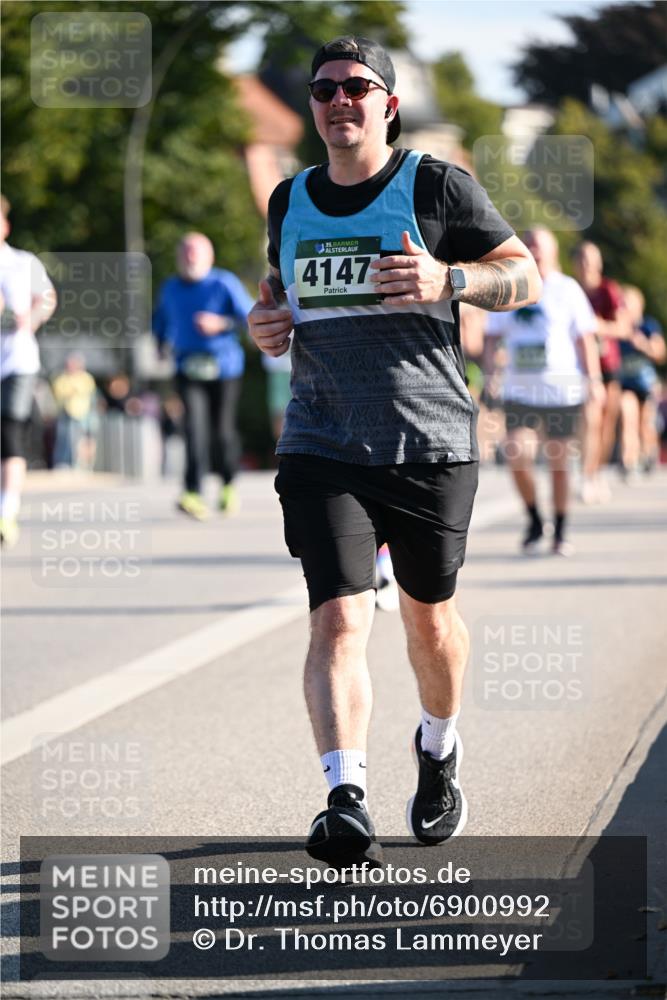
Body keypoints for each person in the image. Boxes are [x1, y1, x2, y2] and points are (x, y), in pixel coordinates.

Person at [248, 36, 541, 868]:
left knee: (427, 619)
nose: (338, 101)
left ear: (388, 104)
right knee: (339, 615)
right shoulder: (289, 200)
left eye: (355, 87)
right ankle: (344, 798)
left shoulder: (434, 185)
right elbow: (277, 300)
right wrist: (265, 325)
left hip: (428, 442)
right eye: (323, 90)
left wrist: (451, 281)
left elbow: (523, 275)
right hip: (321, 440)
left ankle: (438, 745)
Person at [484, 227, 602, 556]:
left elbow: (585, 338)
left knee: (559, 463)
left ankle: (560, 529)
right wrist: (491, 373)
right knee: (516, 453)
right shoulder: (510, 285)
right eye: (528, 244)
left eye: (539, 245)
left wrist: (594, 380)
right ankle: (535, 519)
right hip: (519, 390)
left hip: (561, 391)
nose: (533, 250)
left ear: (553, 251)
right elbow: (492, 336)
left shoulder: (567, 289)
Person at [152, 233, 254, 520]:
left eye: (195, 253)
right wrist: (160, 345)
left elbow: (249, 317)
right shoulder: (170, 288)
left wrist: (221, 323)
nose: (190, 258)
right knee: (193, 429)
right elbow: (159, 322)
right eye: (185, 253)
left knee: (222, 431)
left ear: (209, 257)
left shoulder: (224, 283)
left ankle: (228, 484)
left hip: (225, 368)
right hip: (187, 367)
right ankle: (192, 492)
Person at [0, 194, 56, 546]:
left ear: (5, 226)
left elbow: (48, 298)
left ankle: (7, 511)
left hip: (17, 362)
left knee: (10, 434)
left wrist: (29, 320)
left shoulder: (22, 263)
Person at [573, 241, 627, 503]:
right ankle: (586, 475)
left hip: (609, 365)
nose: (586, 264)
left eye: (591, 259)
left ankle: (598, 472)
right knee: (590, 421)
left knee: (606, 425)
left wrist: (595, 326)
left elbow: (623, 328)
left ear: (599, 263)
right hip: (582, 366)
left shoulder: (608, 290)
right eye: (582, 259)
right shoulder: (572, 291)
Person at [618, 286, 665, 480]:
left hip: (646, 384)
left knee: (646, 423)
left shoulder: (649, 325)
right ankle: (628, 462)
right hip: (625, 383)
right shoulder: (619, 328)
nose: (624, 307)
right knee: (628, 418)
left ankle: (648, 453)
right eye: (622, 303)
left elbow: (660, 353)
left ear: (639, 305)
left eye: (628, 303)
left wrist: (643, 345)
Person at [51, 352, 98, 469]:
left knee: (82, 441)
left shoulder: (86, 377)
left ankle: (80, 464)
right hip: (65, 413)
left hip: (82, 414)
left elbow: (87, 392)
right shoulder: (62, 378)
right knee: (64, 440)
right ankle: (63, 463)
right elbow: (59, 392)